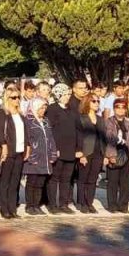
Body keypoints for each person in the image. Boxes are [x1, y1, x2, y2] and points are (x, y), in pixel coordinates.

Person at [0, 85, 28, 219]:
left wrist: (28, 146)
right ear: (7, 99)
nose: (16, 100)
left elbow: (25, 132)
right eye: (13, 98)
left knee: (15, 182)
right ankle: (4, 208)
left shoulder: (20, 114)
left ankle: (13, 208)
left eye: (18, 97)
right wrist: (4, 146)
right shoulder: (2, 113)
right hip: (8, 151)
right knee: (5, 181)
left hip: (20, 151)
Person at [45, 83, 80, 214]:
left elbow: (78, 129)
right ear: (58, 95)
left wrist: (79, 148)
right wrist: (54, 148)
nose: (67, 97)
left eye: (68, 95)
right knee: (54, 178)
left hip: (71, 150)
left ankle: (63, 204)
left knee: (66, 178)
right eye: (65, 95)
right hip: (58, 149)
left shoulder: (72, 109)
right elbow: (50, 130)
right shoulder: (52, 109)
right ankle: (52, 204)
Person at [103, 98, 129, 213]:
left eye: (123, 107)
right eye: (117, 107)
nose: (120, 109)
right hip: (114, 152)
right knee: (113, 182)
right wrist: (110, 155)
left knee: (126, 182)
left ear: (126, 109)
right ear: (114, 109)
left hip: (128, 154)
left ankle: (123, 206)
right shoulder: (109, 122)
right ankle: (112, 206)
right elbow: (108, 139)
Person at [23, 97, 57, 216]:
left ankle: (36, 205)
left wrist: (53, 153)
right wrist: (31, 153)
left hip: (45, 156)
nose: (43, 110)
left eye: (45, 107)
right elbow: (27, 138)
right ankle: (29, 205)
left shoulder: (46, 121)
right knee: (32, 181)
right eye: (41, 107)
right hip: (34, 155)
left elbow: (51, 138)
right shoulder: (28, 120)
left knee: (40, 183)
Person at [75, 91, 105, 213]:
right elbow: (77, 136)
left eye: (98, 101)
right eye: (94, 101)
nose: (97, 103)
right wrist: (80, 153)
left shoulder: (100, 119)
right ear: (87, 102)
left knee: (93, 179)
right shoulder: (81, 118)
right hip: (86, 152)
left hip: (98, 152)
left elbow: (104, 137)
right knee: (83, 178)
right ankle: (82, 203)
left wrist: (106, 154)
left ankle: (89, 202)